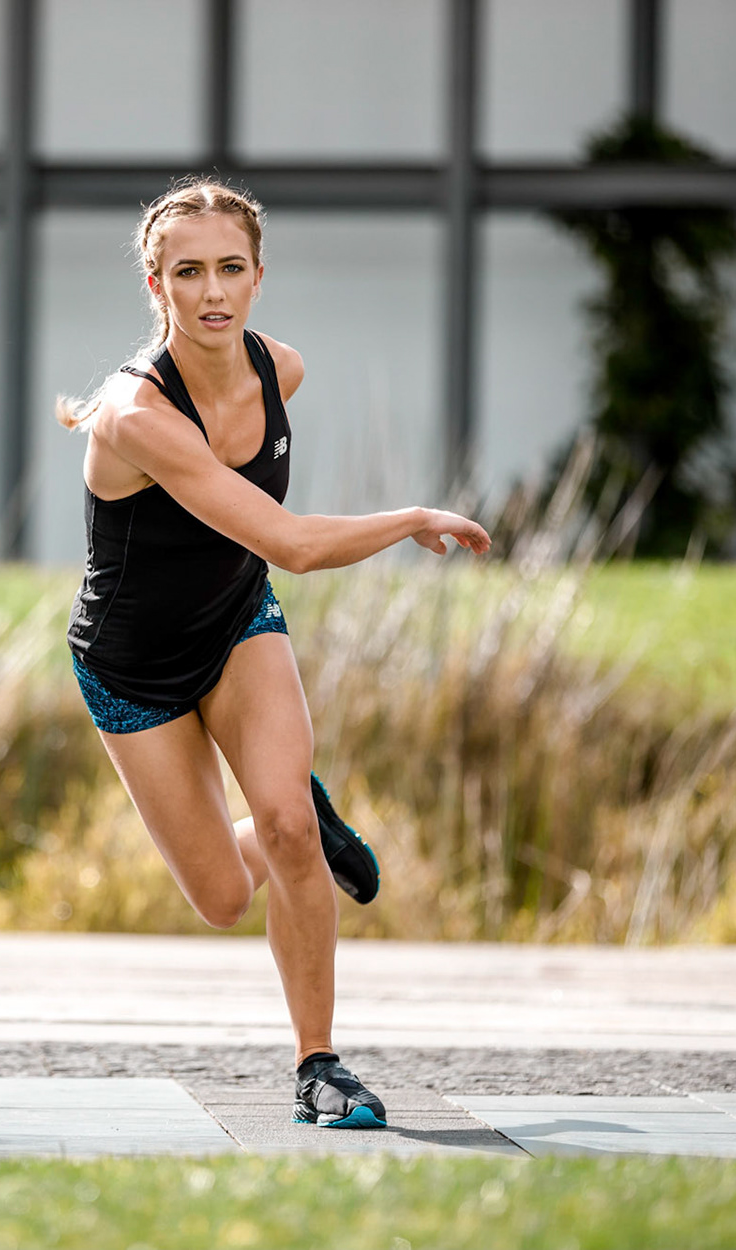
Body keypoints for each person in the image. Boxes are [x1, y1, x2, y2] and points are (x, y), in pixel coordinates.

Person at [58, 178, 491, 1128]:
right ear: (155, 284)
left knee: (285, 825)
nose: (212, 292)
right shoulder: (134, 416)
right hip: (132, 669)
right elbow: (290, 542)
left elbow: (262, 557)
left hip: (237, 625)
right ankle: (309, 818)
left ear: (259, 276)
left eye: (230, 268)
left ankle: (319, 1067)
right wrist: (410, 517)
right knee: (220, 896)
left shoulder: (279, 368)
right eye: (188, 273)